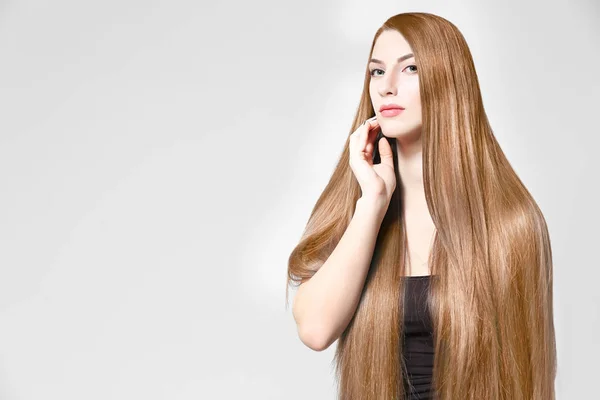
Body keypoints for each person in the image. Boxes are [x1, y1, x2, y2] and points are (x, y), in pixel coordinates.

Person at [285, 12, 557, 400]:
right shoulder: (356, 207)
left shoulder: (510, 222)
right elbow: (314, 329)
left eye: (409, 68)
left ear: (449, 78)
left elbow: (525, 375)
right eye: (376, 72)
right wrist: (372, 203)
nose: (387, 88)